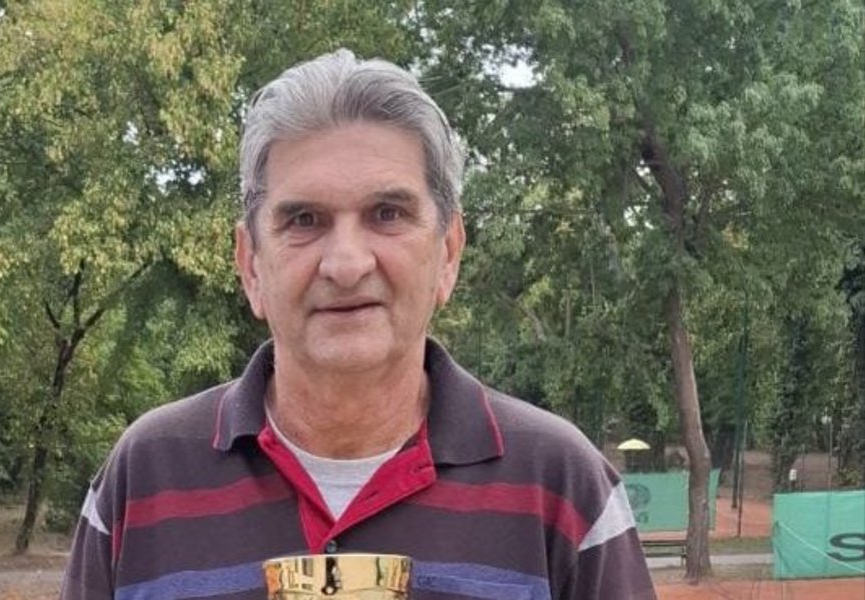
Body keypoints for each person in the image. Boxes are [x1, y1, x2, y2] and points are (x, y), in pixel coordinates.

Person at [61, 49, 656, 600]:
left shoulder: (562, 488)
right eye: (304, 220)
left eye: (387, 213)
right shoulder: (143, 479)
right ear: (251, 265)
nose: (345, 264)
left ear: (448, 252)